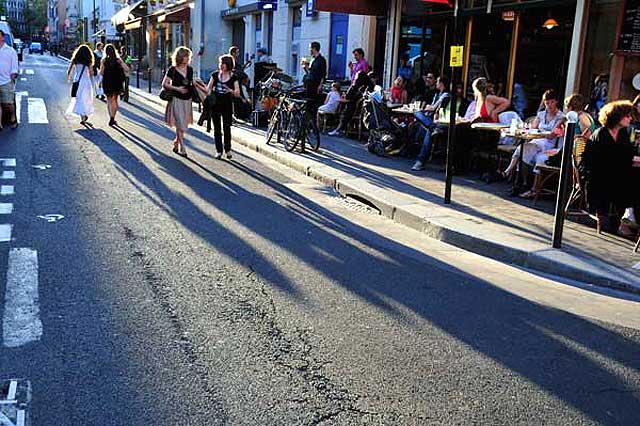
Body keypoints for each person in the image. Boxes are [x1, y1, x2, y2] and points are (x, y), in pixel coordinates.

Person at [519, 93, 596, 198]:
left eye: (566, 107)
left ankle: (534, 190)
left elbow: (587, 134)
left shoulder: (582, 117)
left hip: (576, 157)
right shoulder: (576, 117)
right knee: (541, 154)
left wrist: (569, 136)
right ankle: (531, 187)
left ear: (570, 107)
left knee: (542, 158)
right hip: (570, 152)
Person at [580, 100, 639, 236]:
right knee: (633, 180)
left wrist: (633, 160)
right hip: (599, 176)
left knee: (635, 177)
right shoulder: (601, 133)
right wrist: (631, 161)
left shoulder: (623, 133)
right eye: (627, 116)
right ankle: (627, 217)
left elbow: (627, 154)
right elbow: (605, 161)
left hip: (616, 173)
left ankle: (628, 216)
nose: (630, 118)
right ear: (617, 116)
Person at [501, 89, 565, 180]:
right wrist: (532, 131)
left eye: (552, 102)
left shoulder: (561, 117)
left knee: (522, 149)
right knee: (522, 149)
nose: (549, 105)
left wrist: (539, 134)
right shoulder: (541, 114)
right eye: (547, 103)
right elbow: (533, 128)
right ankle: (516, 178)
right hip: (537, 141)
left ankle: (511, 174)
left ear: (556, 102)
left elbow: (552, 135)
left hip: (548, 144)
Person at [411, 76, 450, 170]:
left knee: (427, 129)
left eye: (437, 82)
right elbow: (431, 106)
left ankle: (420, 161)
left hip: (437, 119)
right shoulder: (437, 94)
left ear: (442, 84)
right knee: (417, 113)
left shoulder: (445, 95)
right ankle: (432, 127)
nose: (436, 83)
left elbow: (434, 108)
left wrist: (428, 108)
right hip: (430, 119)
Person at [206, 54, 240, 160]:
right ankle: (219, 151)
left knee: (226, 127)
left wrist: (230, 90)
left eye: (223, 64)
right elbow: (208, 89)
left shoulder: (233, 77)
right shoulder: (215, 75)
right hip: (216, 102)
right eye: (220, 63)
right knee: (216, 128)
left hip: (227, 103)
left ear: (228, 65)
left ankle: (228, 150)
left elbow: (237, 93)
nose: (221, 66)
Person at [163, 46, 195, 157]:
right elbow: (165, 84)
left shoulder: (190, 69)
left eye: (188, 56)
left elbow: (190, 83)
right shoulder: (172, 69)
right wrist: (177, 89)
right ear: (180, 57)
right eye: (185, 56)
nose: (187, 58)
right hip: (176, 98)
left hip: (187, 99)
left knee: (182, 123)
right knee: (180, 123)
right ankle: (183, 148)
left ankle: (177, 141)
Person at [328, 70, 373, 137]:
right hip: (359, 110)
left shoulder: (355, 87)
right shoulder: (368, 87)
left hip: (352, 109)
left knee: (341, 111)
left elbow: (348, 97)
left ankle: (339, 129)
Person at [99, 44, 129, 126]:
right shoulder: (118, 60)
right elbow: (127, 69)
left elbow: (101, 72)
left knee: (108, 100)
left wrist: (100, 82)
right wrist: (121, 63)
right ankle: (113, 118)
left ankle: (111, 118)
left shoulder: (104, 60)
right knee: (115, 100)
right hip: (116, 82)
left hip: (107, 81)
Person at [66, 44, 95, 126]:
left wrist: (68, 78)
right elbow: (91, 73)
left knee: (79, 99)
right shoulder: (88, 61)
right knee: (86, 99)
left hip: (77, 81)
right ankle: (84, 115)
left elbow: (69, 70)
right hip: (86, 82)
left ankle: (83, 116)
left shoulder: (75, 60)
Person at [0, 30, 19, 130]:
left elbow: (15, 65)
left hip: (6, 80)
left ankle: (13, 117)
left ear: (3, 37)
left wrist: (13, 73)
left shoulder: (10, 51)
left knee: (8, 103)